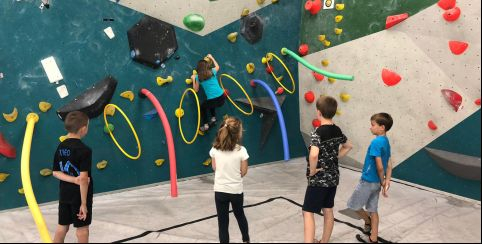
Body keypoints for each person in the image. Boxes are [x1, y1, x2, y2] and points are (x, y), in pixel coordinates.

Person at [303, 96, 353, 243]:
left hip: (319, 180)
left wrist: (312, 171)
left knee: (308, 211)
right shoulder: (337, 130)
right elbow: (349, 145)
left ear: (318, 112)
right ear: (333, 112)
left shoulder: (317, 132)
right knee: (328, 209)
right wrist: (335, 156)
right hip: (333, 178)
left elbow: (313, 155)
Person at [347, 113, 393, 243]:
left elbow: (380, 166)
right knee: (373, 209)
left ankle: (367, 221)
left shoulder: (376, 142)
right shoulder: (386, 141)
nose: (370, 128)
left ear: (382, 127)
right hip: (377, 184)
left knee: (353, 205)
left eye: (373, 125)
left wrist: (383, 180)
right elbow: (389, 164)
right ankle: (373, 238)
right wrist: (385, 182)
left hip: (368, 181)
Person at [52, 111, 93, 243]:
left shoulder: (60, 146)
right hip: (78, 196)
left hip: (64, 194)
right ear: (83, 129)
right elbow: (83, 179)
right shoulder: (84, 150)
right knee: (82, 229)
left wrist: (72, 179)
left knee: (62, 227)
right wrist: (83, 203)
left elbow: (55, 172)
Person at [210, 116, 250, 243]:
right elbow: (243, 172)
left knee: (222, 222)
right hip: (236, 192)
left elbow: (214, 167)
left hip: (220, 191)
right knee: (240, 215)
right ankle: (246, 239)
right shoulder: (242, 151)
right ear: (237, 134)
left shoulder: (214, 149)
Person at [191, 54, 226, 132]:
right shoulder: (212, 71)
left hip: (213, 101)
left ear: (198, 69)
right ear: (208, 66)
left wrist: (193, 78)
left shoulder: (198, 77)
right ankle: (213, 118)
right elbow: (218, 66)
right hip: (222, 98)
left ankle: (206, 125)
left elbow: (195, 90)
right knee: (211, 102)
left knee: (203, 107)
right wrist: (212, 57)